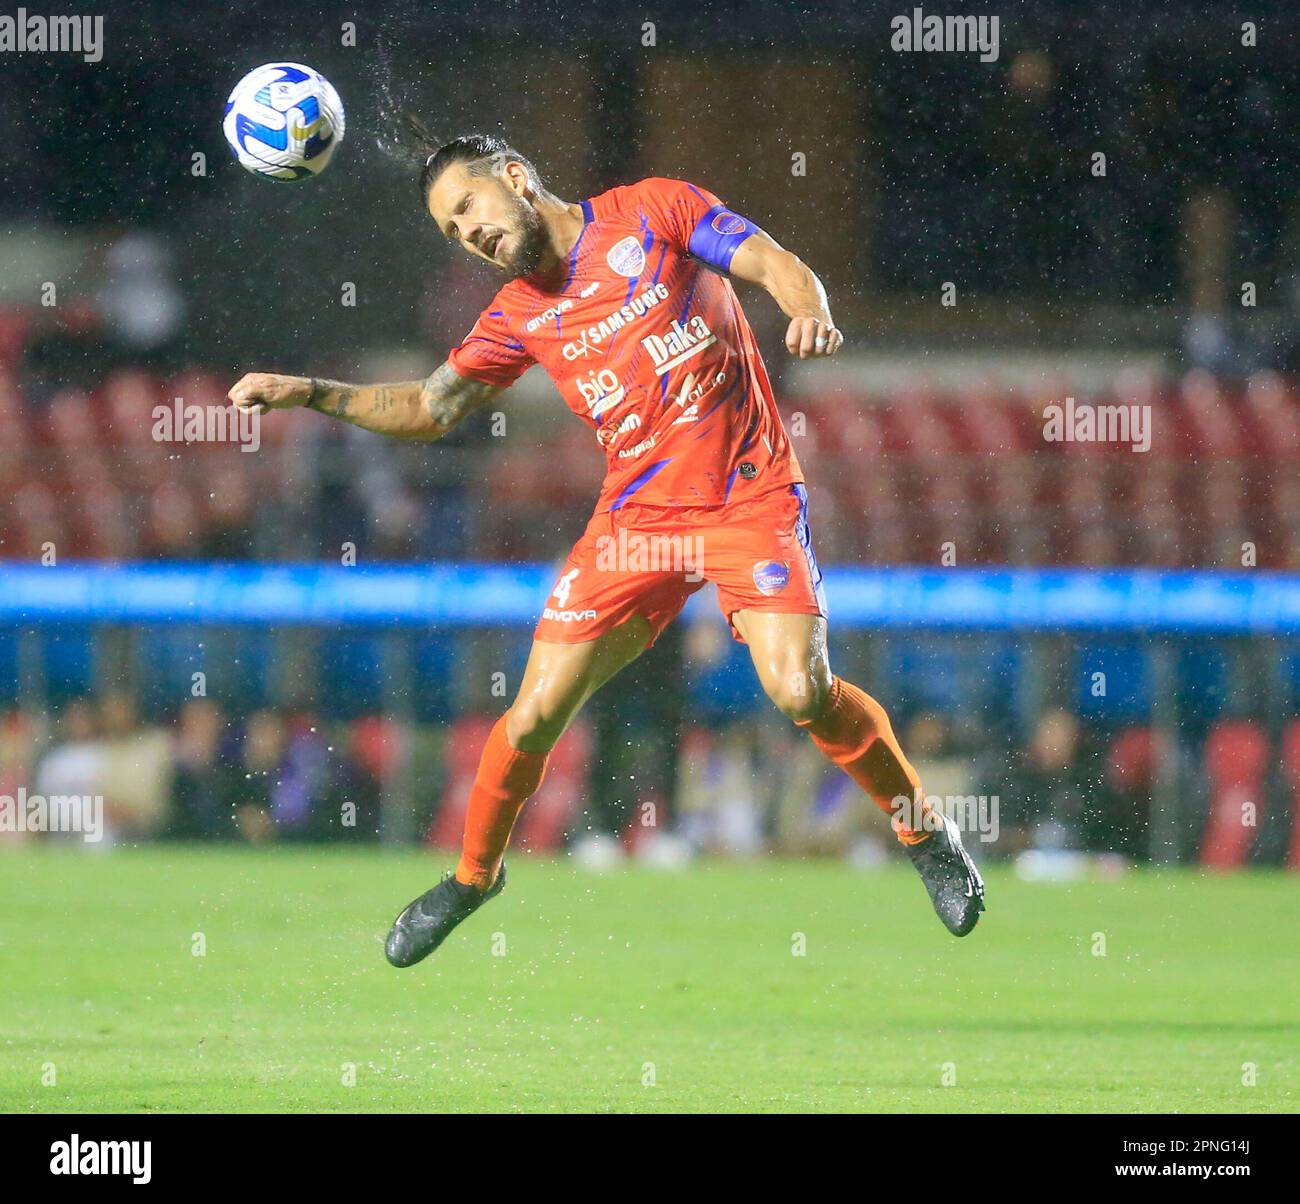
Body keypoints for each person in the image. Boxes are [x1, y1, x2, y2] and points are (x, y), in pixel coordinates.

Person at [228, 134, 985, 966]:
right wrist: (310, 392)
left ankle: (926, 833)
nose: (469, 233)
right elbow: (428, 407)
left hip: (747, 496)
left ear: (515, 176)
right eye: (451, 231)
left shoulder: (653, 211)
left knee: (799, 689)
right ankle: (473, 879)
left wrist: (810, 309)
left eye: (468, 207)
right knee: (533, 714)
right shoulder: (517, 313)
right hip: (635, 526)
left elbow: (773, 262)